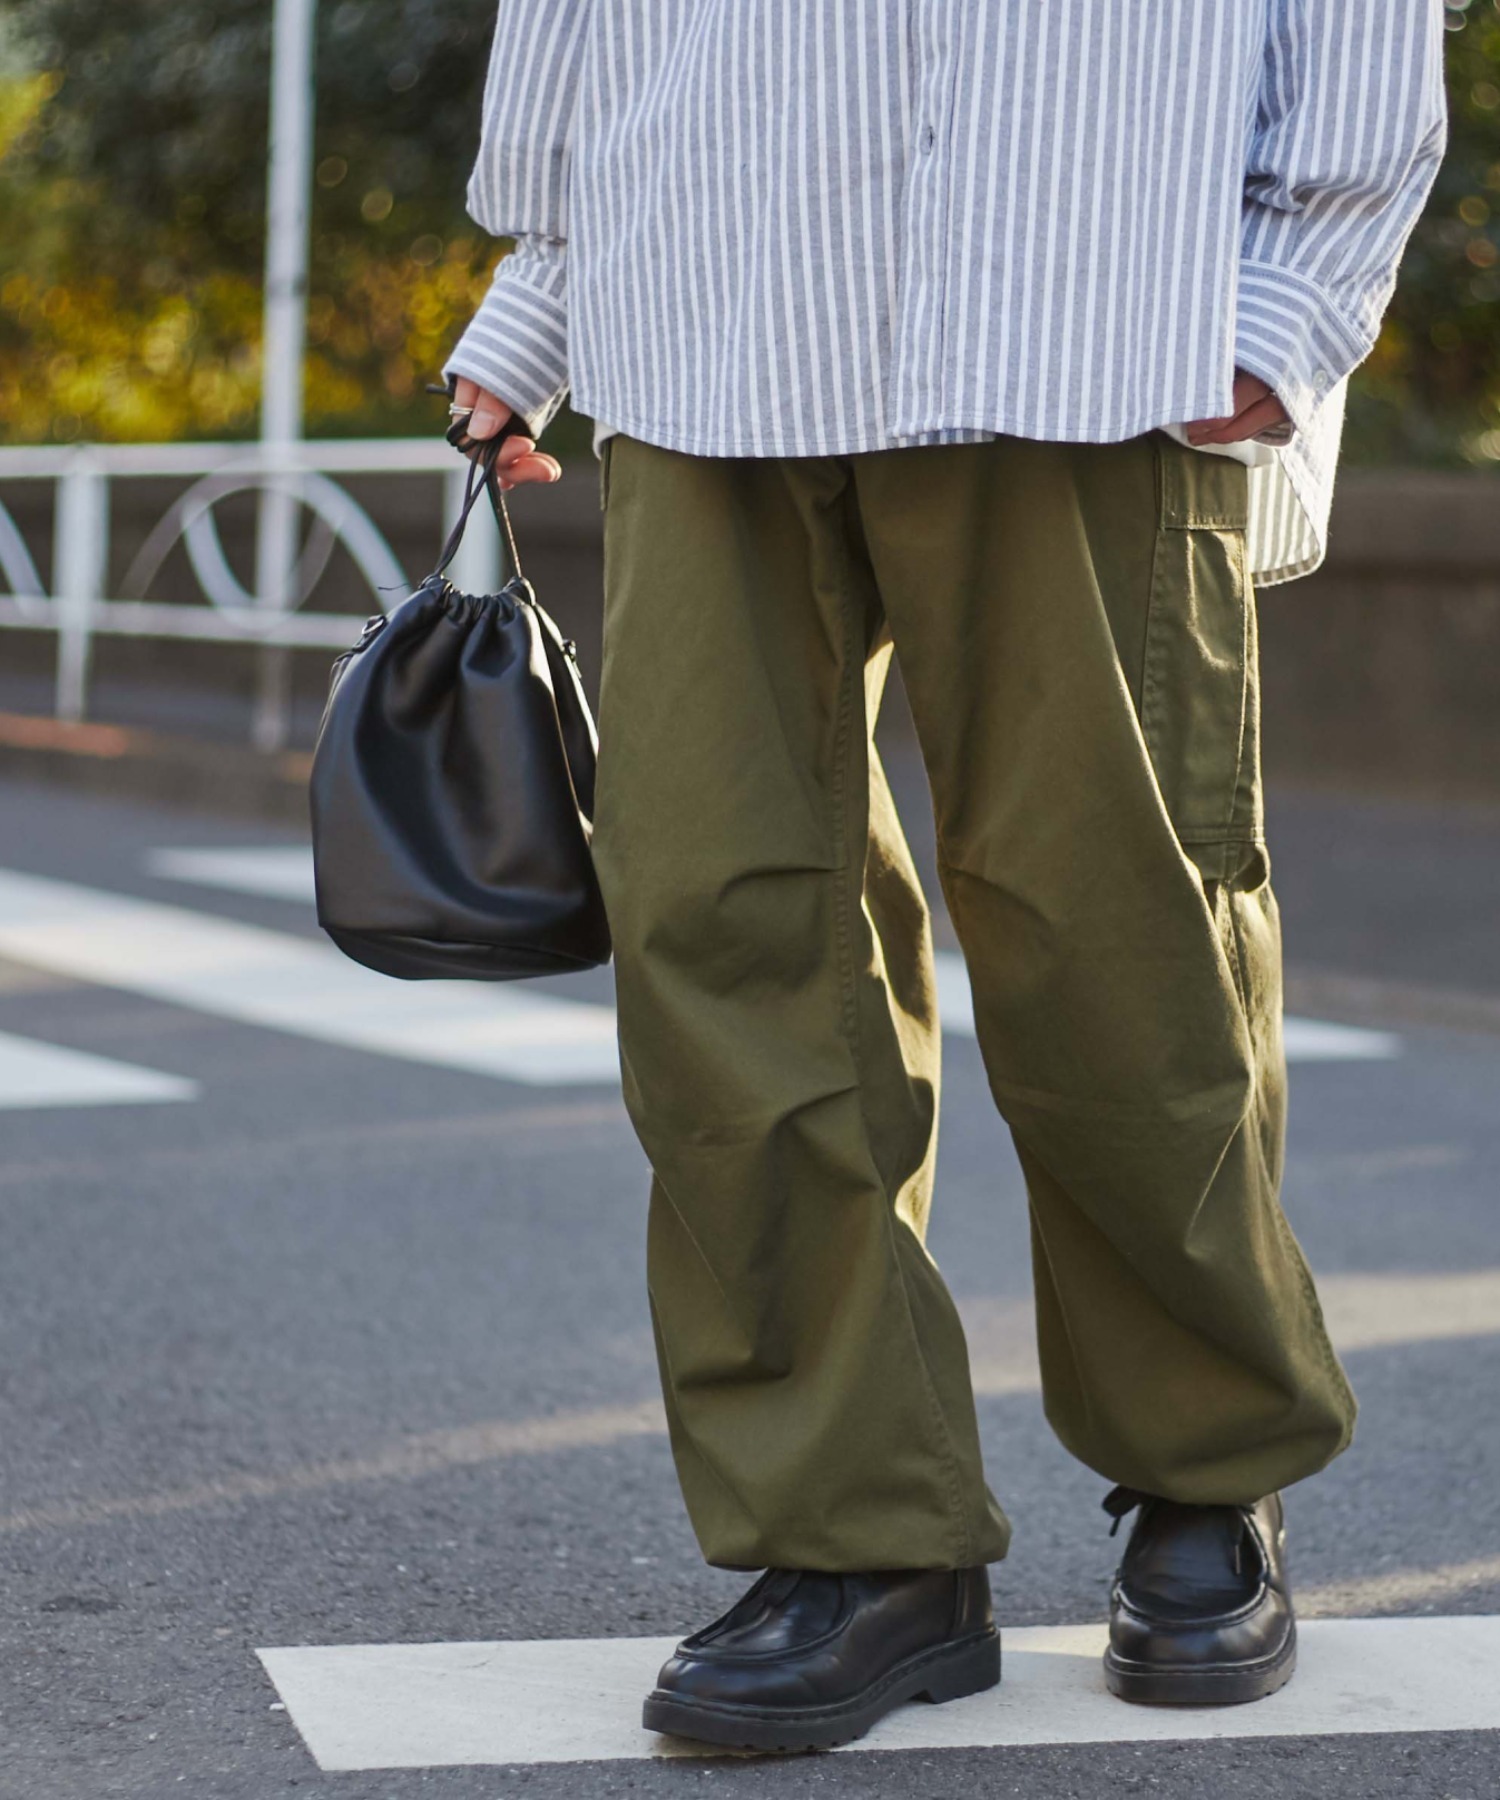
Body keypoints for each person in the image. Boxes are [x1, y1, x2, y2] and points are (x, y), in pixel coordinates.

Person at [442, 1, 1447, 1754]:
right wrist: (545, 283)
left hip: (1090, 309)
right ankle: (859, 1540)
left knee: (1120, 930)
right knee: (716, 929)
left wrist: (1294, 295)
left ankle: (1207, 1467)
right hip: (706, 303)